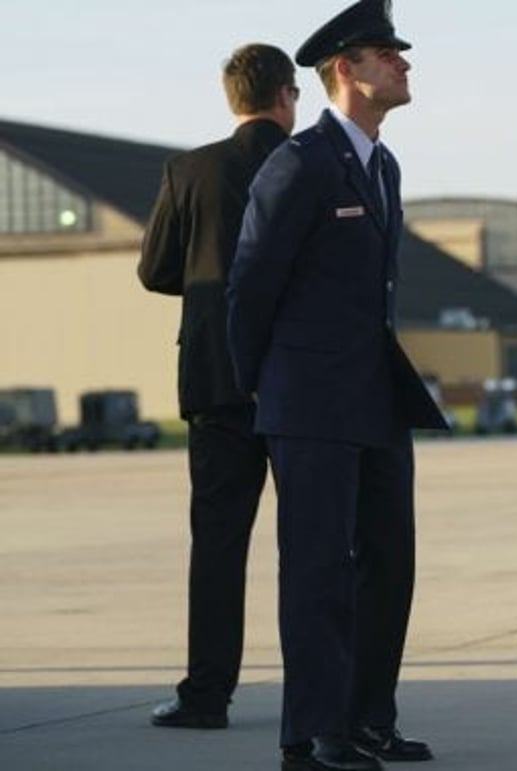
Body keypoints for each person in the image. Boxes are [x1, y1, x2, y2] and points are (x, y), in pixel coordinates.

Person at [226, 1, 448, 769]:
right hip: (309, 400)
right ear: (346, 68)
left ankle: (367, 719)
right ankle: (313, 734)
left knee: (390, 561)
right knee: (317, 567)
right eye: (388, 53)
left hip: (375, 398)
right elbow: (249, 284)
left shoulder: (381, 164)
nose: (404, 63)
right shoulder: (301, 161)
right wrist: (259, 386)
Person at [137, 42, 297, 730]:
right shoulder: (307, 163)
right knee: (315, 547)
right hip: (297, 383)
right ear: (288, 96)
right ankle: (321, 694)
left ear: (232, 99)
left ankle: (206, 694)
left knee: (219, 547)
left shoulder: (189, 170)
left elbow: (154, 270)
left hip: (216, 383)